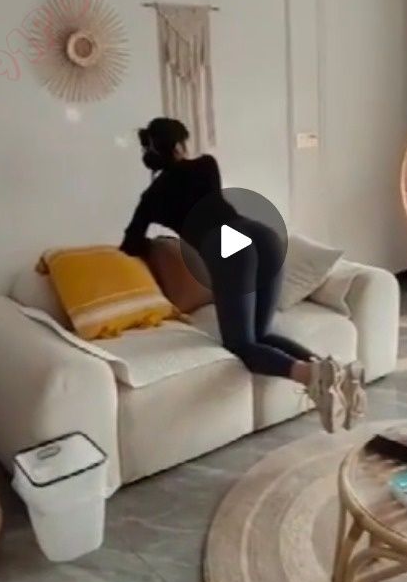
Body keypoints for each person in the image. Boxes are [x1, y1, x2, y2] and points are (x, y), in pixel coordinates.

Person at [121, 117, 356, 432]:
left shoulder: (152, 197)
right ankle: (335, 374)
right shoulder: (206, 165)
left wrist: (157, 242)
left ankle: (310, 376)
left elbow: (130, 245)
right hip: (262, 236)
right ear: (179, 145)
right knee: (261, 335)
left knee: (241, 344)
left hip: (227, 244)